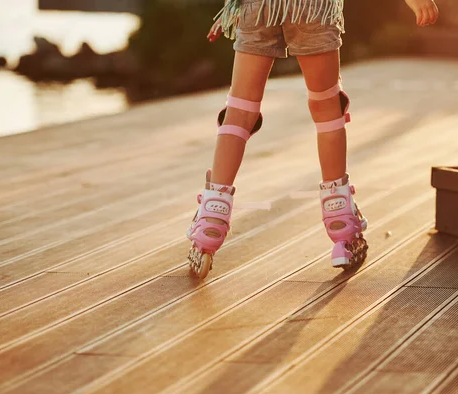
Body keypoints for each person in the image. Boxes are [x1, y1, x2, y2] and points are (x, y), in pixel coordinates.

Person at [187, 0, 439, 278]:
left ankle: (211, 219)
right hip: (312, 7)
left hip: (257, 6)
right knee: (326, 107)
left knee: (240, 111)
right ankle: (342, 229)